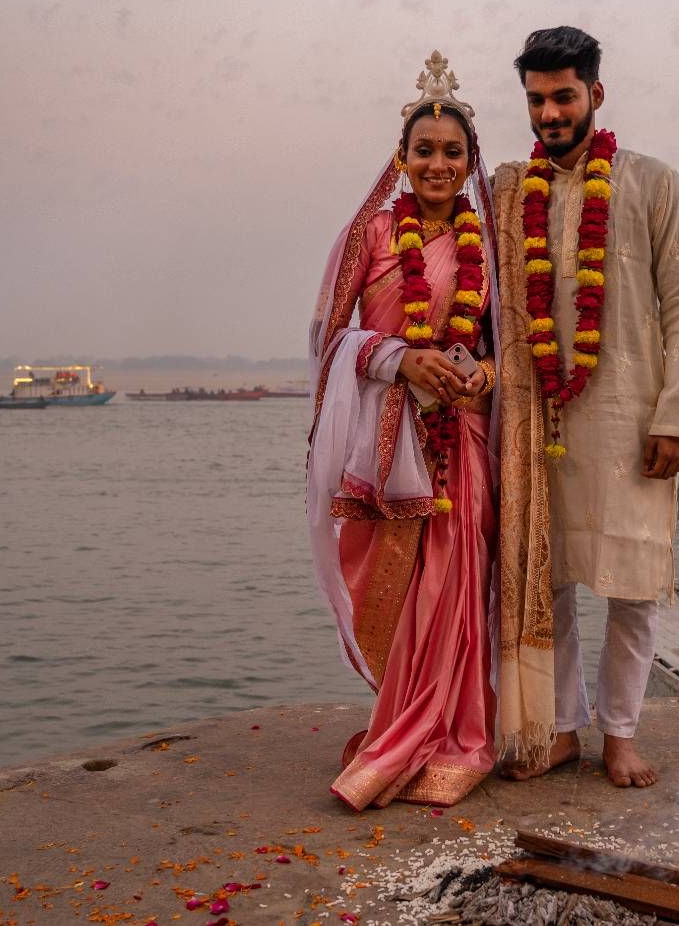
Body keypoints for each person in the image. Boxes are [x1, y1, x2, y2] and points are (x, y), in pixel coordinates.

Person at [492, 26, 679, 788]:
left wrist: (676, 415)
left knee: (633, 586)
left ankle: (621, 735)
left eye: (563, 97)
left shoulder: (653, 183)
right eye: (537, 101)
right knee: (546, 584)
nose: (550, 114)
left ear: (596, 94)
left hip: (629, 418)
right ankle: (559, 731)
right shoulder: (511, 194)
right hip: (539, 420)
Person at [307, 51, 509, 810]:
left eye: (452, 151)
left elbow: (507, 346)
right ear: (402, 156)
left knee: (458, 588)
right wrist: (399, 358)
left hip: (464, 442)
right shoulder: (371, 234)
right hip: (389, 442)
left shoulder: (489, 245)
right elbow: (327, 340)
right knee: (396, 590)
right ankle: (402, 725)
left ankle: (456, 731)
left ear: (469, 161)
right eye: (424, 149)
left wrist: (482, 374)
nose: (437, 163)